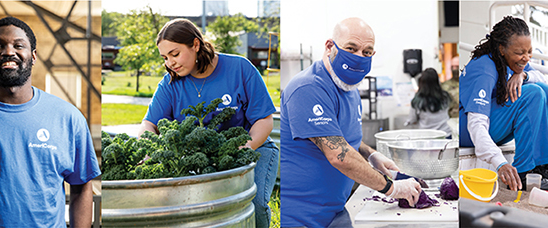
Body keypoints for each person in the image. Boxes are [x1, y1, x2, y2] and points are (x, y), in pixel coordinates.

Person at [0, 17, 101, 227]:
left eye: (18, 45)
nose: (8, 51)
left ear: (33, 56)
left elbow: (81, 186)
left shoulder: (69, 118)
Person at [281, 17, 422, 227]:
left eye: (367, 52)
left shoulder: (350, 89)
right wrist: (392, 188)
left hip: (335, 212)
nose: (359, 57)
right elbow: (339, 154)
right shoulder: (308, 88)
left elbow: (338, 135)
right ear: (330, 47)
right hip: (302, 217)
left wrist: (370, 153)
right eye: (351, 48)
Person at [138, 18, 279, 228]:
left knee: (253, 203)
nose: (170, 63)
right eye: (165, 57)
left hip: (254, 149)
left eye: (175, 54)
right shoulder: (170, 85)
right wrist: (147, 150)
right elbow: (149, 125)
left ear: (195, 45)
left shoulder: (240, 68)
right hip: (201, 157)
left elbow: (264, 120)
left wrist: (243, 148)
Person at [459, 16, 548, 191]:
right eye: (520, 53)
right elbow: (476, 125)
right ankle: (523, 172)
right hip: (468, 130)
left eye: (529, 51)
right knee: (533, 93)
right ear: (502, 49)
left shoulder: (512, 61)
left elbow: (541, 79)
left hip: (493, 122)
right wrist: (500, 163)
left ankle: (545, 166)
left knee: (545, 90)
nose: (526, 58)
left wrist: (523, 76)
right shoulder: (485, 69)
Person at [405, 68, 453, 138]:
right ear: (437, 81)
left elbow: (412, 120)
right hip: (445, 134)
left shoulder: (418, 101)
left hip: (427, 137)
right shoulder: (445, 97)